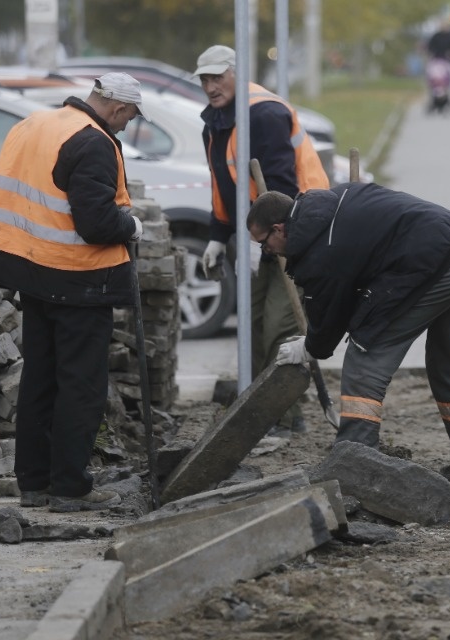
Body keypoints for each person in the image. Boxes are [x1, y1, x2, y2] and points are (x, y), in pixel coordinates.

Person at [0, 73, 147, 512]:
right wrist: (131, 225)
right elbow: (97, 223)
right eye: (128, 118)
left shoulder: (34, 124)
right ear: (119, 108)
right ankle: (69, 488)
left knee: (40, 380)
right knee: (80, 386)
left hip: (34, 273)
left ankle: (34, 483)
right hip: (79, 277)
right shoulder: (93, 142)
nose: (125, 126)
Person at [246, 184, 450, 485]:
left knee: (363, 359)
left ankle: (354, 467)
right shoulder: (333, 202)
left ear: (279, 229)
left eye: (264, 243)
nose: (267, 252)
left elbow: (329, 315)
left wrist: (311, 347)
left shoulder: (320, 251)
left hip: (431, 266)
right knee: (444, 360)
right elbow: (346, 298)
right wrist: (316, 341)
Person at [192, 45, 330, 438]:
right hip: (257, 235)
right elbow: (224, 187)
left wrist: (266, 240)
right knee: (250, 327)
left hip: (294, 233)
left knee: (281, 326)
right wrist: (218, 237)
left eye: (218, 77)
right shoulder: (215, 122)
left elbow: (281, 188)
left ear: (237, 73)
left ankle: (285, 415)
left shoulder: (264, 114)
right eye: (205, 79)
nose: (211, 86)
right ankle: (257, 412)